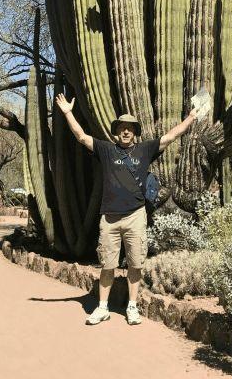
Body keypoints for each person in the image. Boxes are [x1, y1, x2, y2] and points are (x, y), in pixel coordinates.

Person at [55, 94, 197, 325]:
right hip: (109, 219)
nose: (126, 131)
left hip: (135, 216)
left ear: (135, 132)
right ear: (116, 131)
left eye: (130, 128)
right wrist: (68, 112)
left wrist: (191, 117)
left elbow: (172, 135)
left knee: (135, 264)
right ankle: (103, 307)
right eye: (122, 128)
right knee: (107, 265)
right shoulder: (106, 150)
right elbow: (81, 137)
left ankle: (132, 306)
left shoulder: (145, 149)